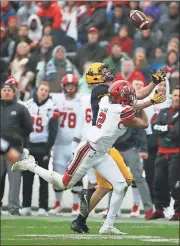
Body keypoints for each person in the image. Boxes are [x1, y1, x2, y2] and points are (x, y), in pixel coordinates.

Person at [12, 67, 166, 233]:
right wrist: (151, 102)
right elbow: (142, 121)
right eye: (103, 72)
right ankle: (30, 165)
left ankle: (107, 225)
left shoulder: (107, 100)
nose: (107, 74)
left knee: (121, 185)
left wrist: (151, 86)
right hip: (89, 149)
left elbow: (134, 100)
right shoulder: (115, 105)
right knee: (63, 183)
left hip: (101, 151)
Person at [20, 82, 59, 216]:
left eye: (46, 91)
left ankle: (43, 206)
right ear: (37, 90)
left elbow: (53, 131)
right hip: (29, 145)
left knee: (44, 178)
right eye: (41, 89)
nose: (43, 92)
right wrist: (24, 146)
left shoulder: (52, 107)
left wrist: (48, 148)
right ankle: (26, 205)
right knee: (27, 177)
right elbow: (23, 128)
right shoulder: (28, 104)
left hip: (43, 146)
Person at [49, 75, 83, 216]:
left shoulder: (82, 100)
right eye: (68, 85)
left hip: (76, 143)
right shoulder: (56, 99)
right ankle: (58, 203)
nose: (70, 87)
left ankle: (76, 204)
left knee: (76, 174)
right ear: (63, 86)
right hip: (59, 144)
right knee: (57, 174)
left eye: (73, 84)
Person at [0, 81, 33, 216]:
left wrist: (19, 141)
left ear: (14, 93)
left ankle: (13, 208)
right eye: (4, 90)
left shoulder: (21, 108)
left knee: (14, 181)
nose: (6, 92)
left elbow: (29, 128)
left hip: (14, 150)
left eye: (9, 90)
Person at [148, 86, 180, 221]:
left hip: (176, 152)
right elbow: (154, 126)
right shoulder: (164, 111)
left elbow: (176, 133)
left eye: (179, 96)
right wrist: (167, 128)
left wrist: (165, 133)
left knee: (175, 183)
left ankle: (178, 211)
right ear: (171, 96)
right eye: (175, 95)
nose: (177, 98)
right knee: (158, 181)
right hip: (161, 152)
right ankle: (159, 209)